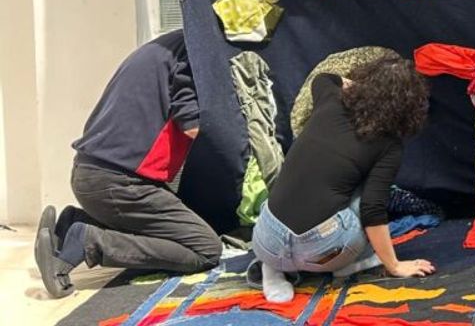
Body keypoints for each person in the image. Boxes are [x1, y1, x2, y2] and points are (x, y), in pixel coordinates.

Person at [34, 30, 222, 298]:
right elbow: (195, 128)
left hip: (94, 173)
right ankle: (88, 242)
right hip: (121, 183)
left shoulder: (170, 47)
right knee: (205, 248)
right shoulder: (193, 55)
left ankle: (68, 228)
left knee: (179, 230)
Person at [252, 54, 434, 303]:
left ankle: (273, 268)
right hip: (325, 253)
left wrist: (365, 89)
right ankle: (351, 263)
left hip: (266, 241)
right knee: (364, 191)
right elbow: (372, 209)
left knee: (299, 190)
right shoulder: (389, 146)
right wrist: (394, 265)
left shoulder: (330, 97)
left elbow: (324, 77)